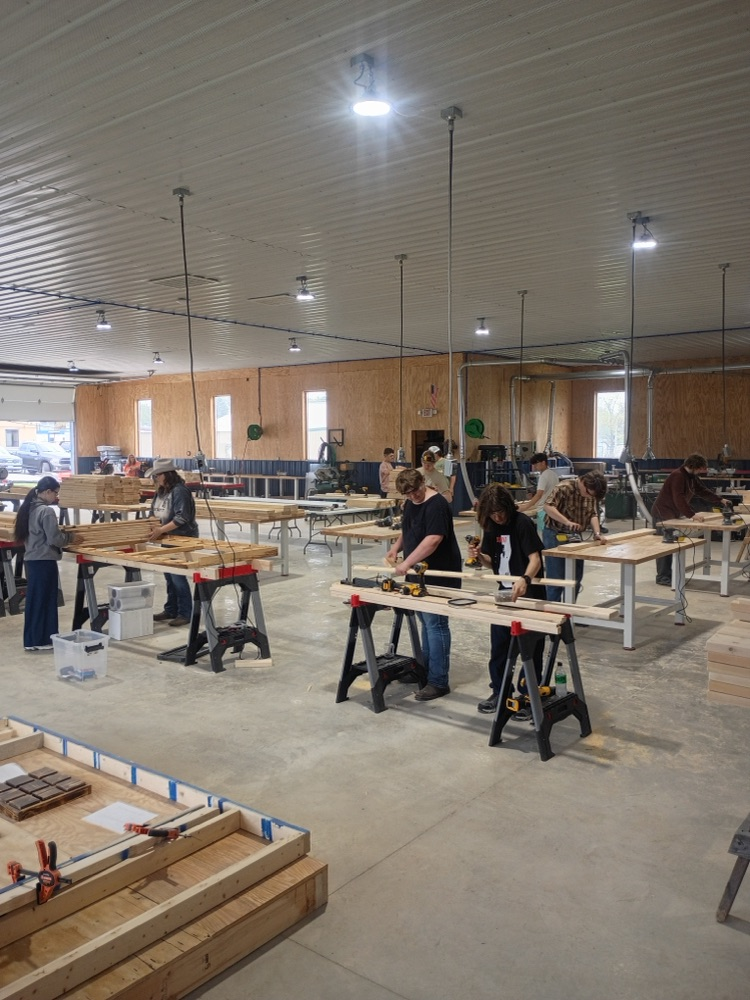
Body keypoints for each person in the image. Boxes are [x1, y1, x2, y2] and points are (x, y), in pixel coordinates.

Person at [469, 484, 547, 716]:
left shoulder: (522, 523)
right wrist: (478, 556)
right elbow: (493, 562)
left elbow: (536, 559)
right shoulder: (491, 526)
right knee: (500, 647)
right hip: (503, 594)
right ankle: (500, 691)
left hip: (529, 595)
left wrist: (524, 579)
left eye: (501, 512)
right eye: (493, 513)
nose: (498, 517)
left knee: (530, 649)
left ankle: (528, 695)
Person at [385, 468, 461, 701]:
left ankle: (438, 681)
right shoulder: (410, 503)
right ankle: (424, 670)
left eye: (416, 491)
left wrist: (406, 562)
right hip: (418, 572)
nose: (414, 496)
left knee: (435, 624)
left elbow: (433, 539)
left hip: (439, 572)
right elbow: (409, 528)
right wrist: (396, 548)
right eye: (408, 494)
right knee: (425, 622)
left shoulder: (436, 504)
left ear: (423, 483)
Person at [13, 476, 82, 651]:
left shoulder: (28, 507)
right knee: (46, 601)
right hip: (44, 560)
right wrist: (72, 538)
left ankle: (32, 640)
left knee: (35, 601)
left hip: (33, 560)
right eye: (55, 494)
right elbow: (55, 539)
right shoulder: (46, 511)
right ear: (47, 491)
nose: (56, 498)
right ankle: (44, 639)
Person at [651, 453, 732, 586]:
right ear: (692, 466)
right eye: (700, 468)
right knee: (666, 546)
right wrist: (691, 515)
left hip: (672, 514)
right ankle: (662, 577)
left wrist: (720, 500)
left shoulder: (691, 477)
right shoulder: (678, 476)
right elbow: (679, 498)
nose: (702, 471)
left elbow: (702, 491)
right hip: (663, 513)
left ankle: (671, 575)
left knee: (672, 545)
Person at [542, 471, 608, 602]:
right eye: (588, 493)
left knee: (575, 579)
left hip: (574, 536)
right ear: (583, 483)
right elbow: (547, 507)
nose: (589, 496)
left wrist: (597, 533)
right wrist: (566, 521)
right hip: (555, 533)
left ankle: (570, 615)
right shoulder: (564, 488)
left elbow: (593, 514)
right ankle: (553, 616)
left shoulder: (591, 493)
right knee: (556, 579)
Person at [148, 459, 199, 626]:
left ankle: (185, 612)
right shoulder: (161, 491)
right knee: (168, 575)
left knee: (177, 576)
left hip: (182, 538)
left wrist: (161, 530)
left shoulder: (180, 491)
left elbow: (182, 518)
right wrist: (152, 524)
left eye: (157, 476)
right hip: (167, 537)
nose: (156, 479)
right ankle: (171, 609)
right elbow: (153, 512)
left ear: (167, 475)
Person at [517, 452, 559, 517]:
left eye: (536, 464)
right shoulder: (554, 474)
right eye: (534, 464)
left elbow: (539, 495)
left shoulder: (544, 476)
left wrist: (524, 507)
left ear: (543, 463)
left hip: (543, 510)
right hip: (553, 509)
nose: (535, 466)